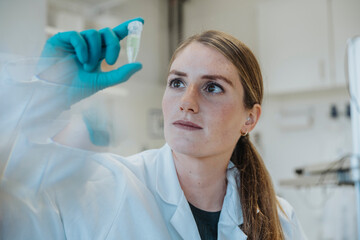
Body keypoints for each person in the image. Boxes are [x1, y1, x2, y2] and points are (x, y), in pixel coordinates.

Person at [0, 18, 307, 239]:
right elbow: (15, 212)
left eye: (212, 87)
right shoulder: (104, 187)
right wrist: (43, 99)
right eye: (177, 82)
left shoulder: (279, 219)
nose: (187, 102)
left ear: (249, 118)